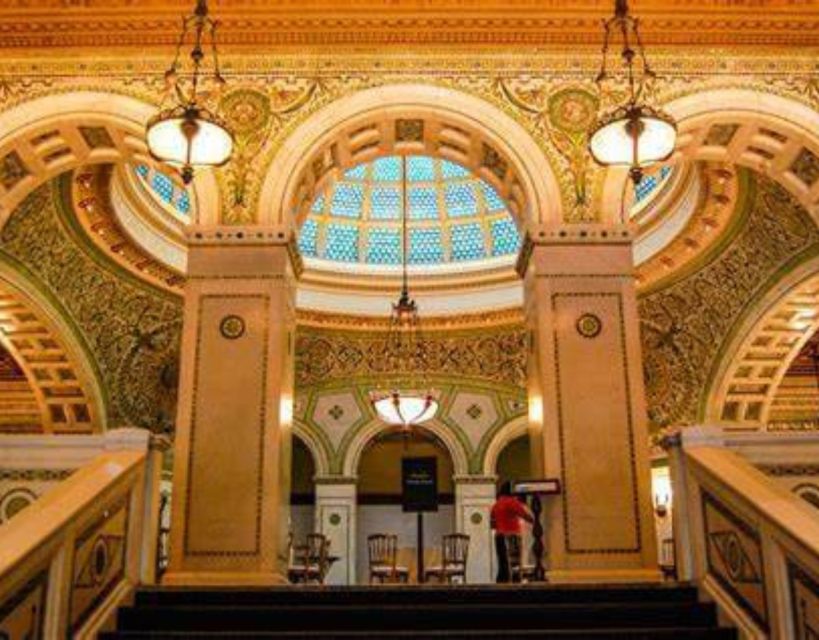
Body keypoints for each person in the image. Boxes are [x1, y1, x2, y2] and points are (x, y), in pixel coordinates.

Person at [490, 481, 534, 583]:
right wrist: (533, 520)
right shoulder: (512, 502)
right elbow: (526, 516)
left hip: (499, 537)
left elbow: (492, 524)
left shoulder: (496, 504)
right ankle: (515, 582)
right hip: (512, 536)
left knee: (502, 563)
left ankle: (501, 583)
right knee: (514, 563)